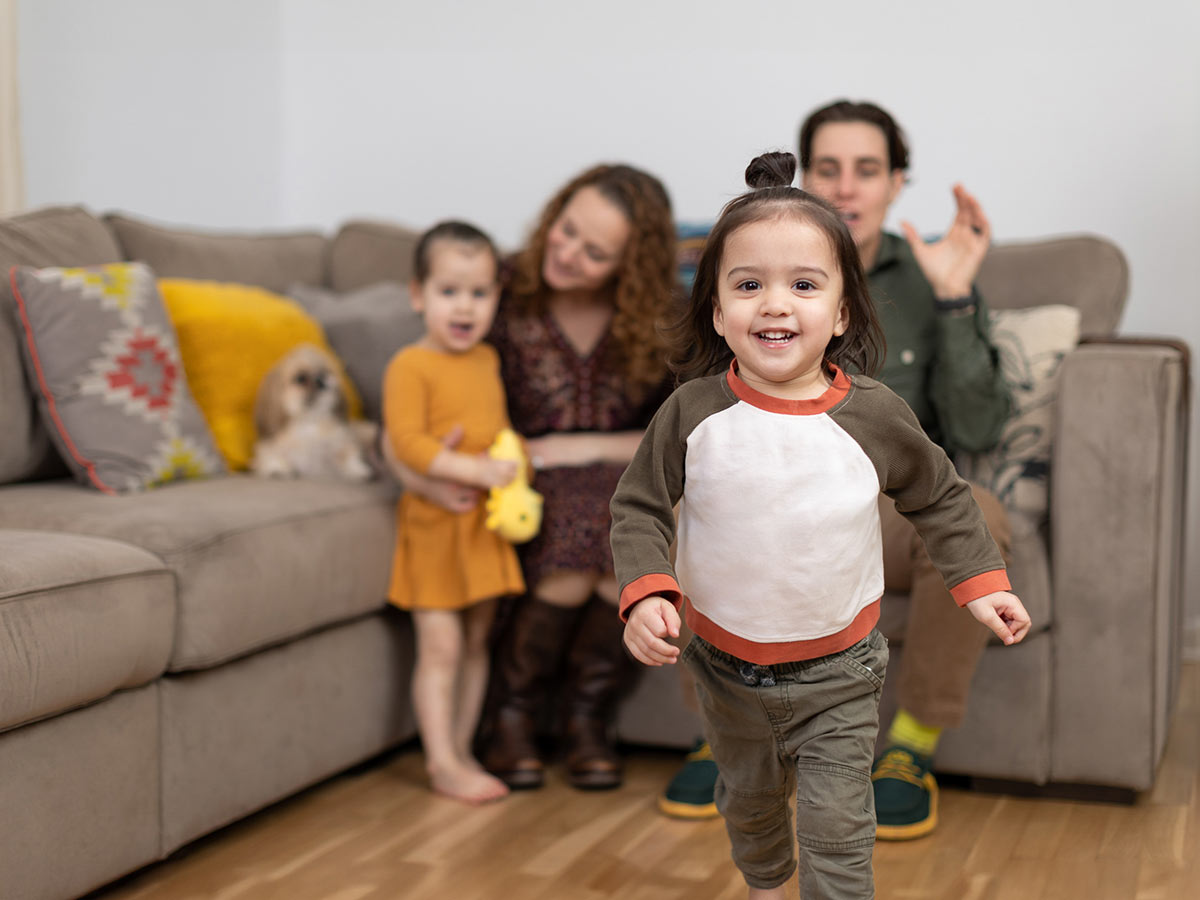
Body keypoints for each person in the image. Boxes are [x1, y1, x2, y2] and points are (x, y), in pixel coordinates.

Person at [611, 152, 1031, 900]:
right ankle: (768, 886)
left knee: (839, 835)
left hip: (839, 672)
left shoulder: (872, 414)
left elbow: (939, 496)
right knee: (753, 818)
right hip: (724, 670)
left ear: (840, 312)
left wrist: (978, 584)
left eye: (803, 285)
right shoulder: (693, 413)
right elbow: (640, 505)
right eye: (748, 286)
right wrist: (647, 593)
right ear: (716, 310)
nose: (775, 305)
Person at [389, 164, 680, 791]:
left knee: (630, 523)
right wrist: (423, 480)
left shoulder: (658, 318)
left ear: (631, 266)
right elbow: (415, 407)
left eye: (595, 251)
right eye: (565, 230)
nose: (568, 253)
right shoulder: (498, 287)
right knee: (590, 524)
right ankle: (514, 716)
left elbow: (681, 430)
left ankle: (585, 717)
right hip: (513, 481)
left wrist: (571, 446)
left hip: (615, 475)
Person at [382, 220, 525, 805]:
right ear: (418, 294)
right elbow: (409, 442)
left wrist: (516, 475)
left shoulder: (487, 360)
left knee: (475, 642)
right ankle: (440, 760)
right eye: (449, 292)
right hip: (436, 528)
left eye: (479, 292)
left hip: (481, 527)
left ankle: (462, 749)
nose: (464, 307)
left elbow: (500, 436)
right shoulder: (409, 366)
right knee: (440, 645)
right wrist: (467, 471)